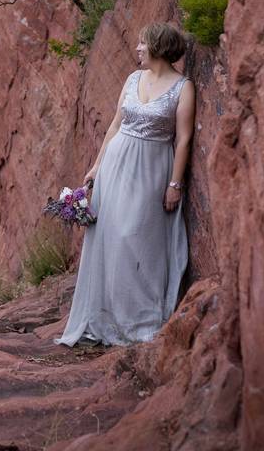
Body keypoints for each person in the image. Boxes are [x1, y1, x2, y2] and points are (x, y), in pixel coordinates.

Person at [56, 22, 194, 346]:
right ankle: (107, 318)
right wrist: (95, 167)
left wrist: (175, 184)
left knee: (137, 238)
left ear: (158, 47)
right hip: (116, 166)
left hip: (152, 168)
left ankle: (140, 320)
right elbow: (115, 125)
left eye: (143, 44)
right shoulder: (133, 79)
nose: (138, 49)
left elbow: (185, 139)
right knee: (111, 238)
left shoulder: (182, 87)